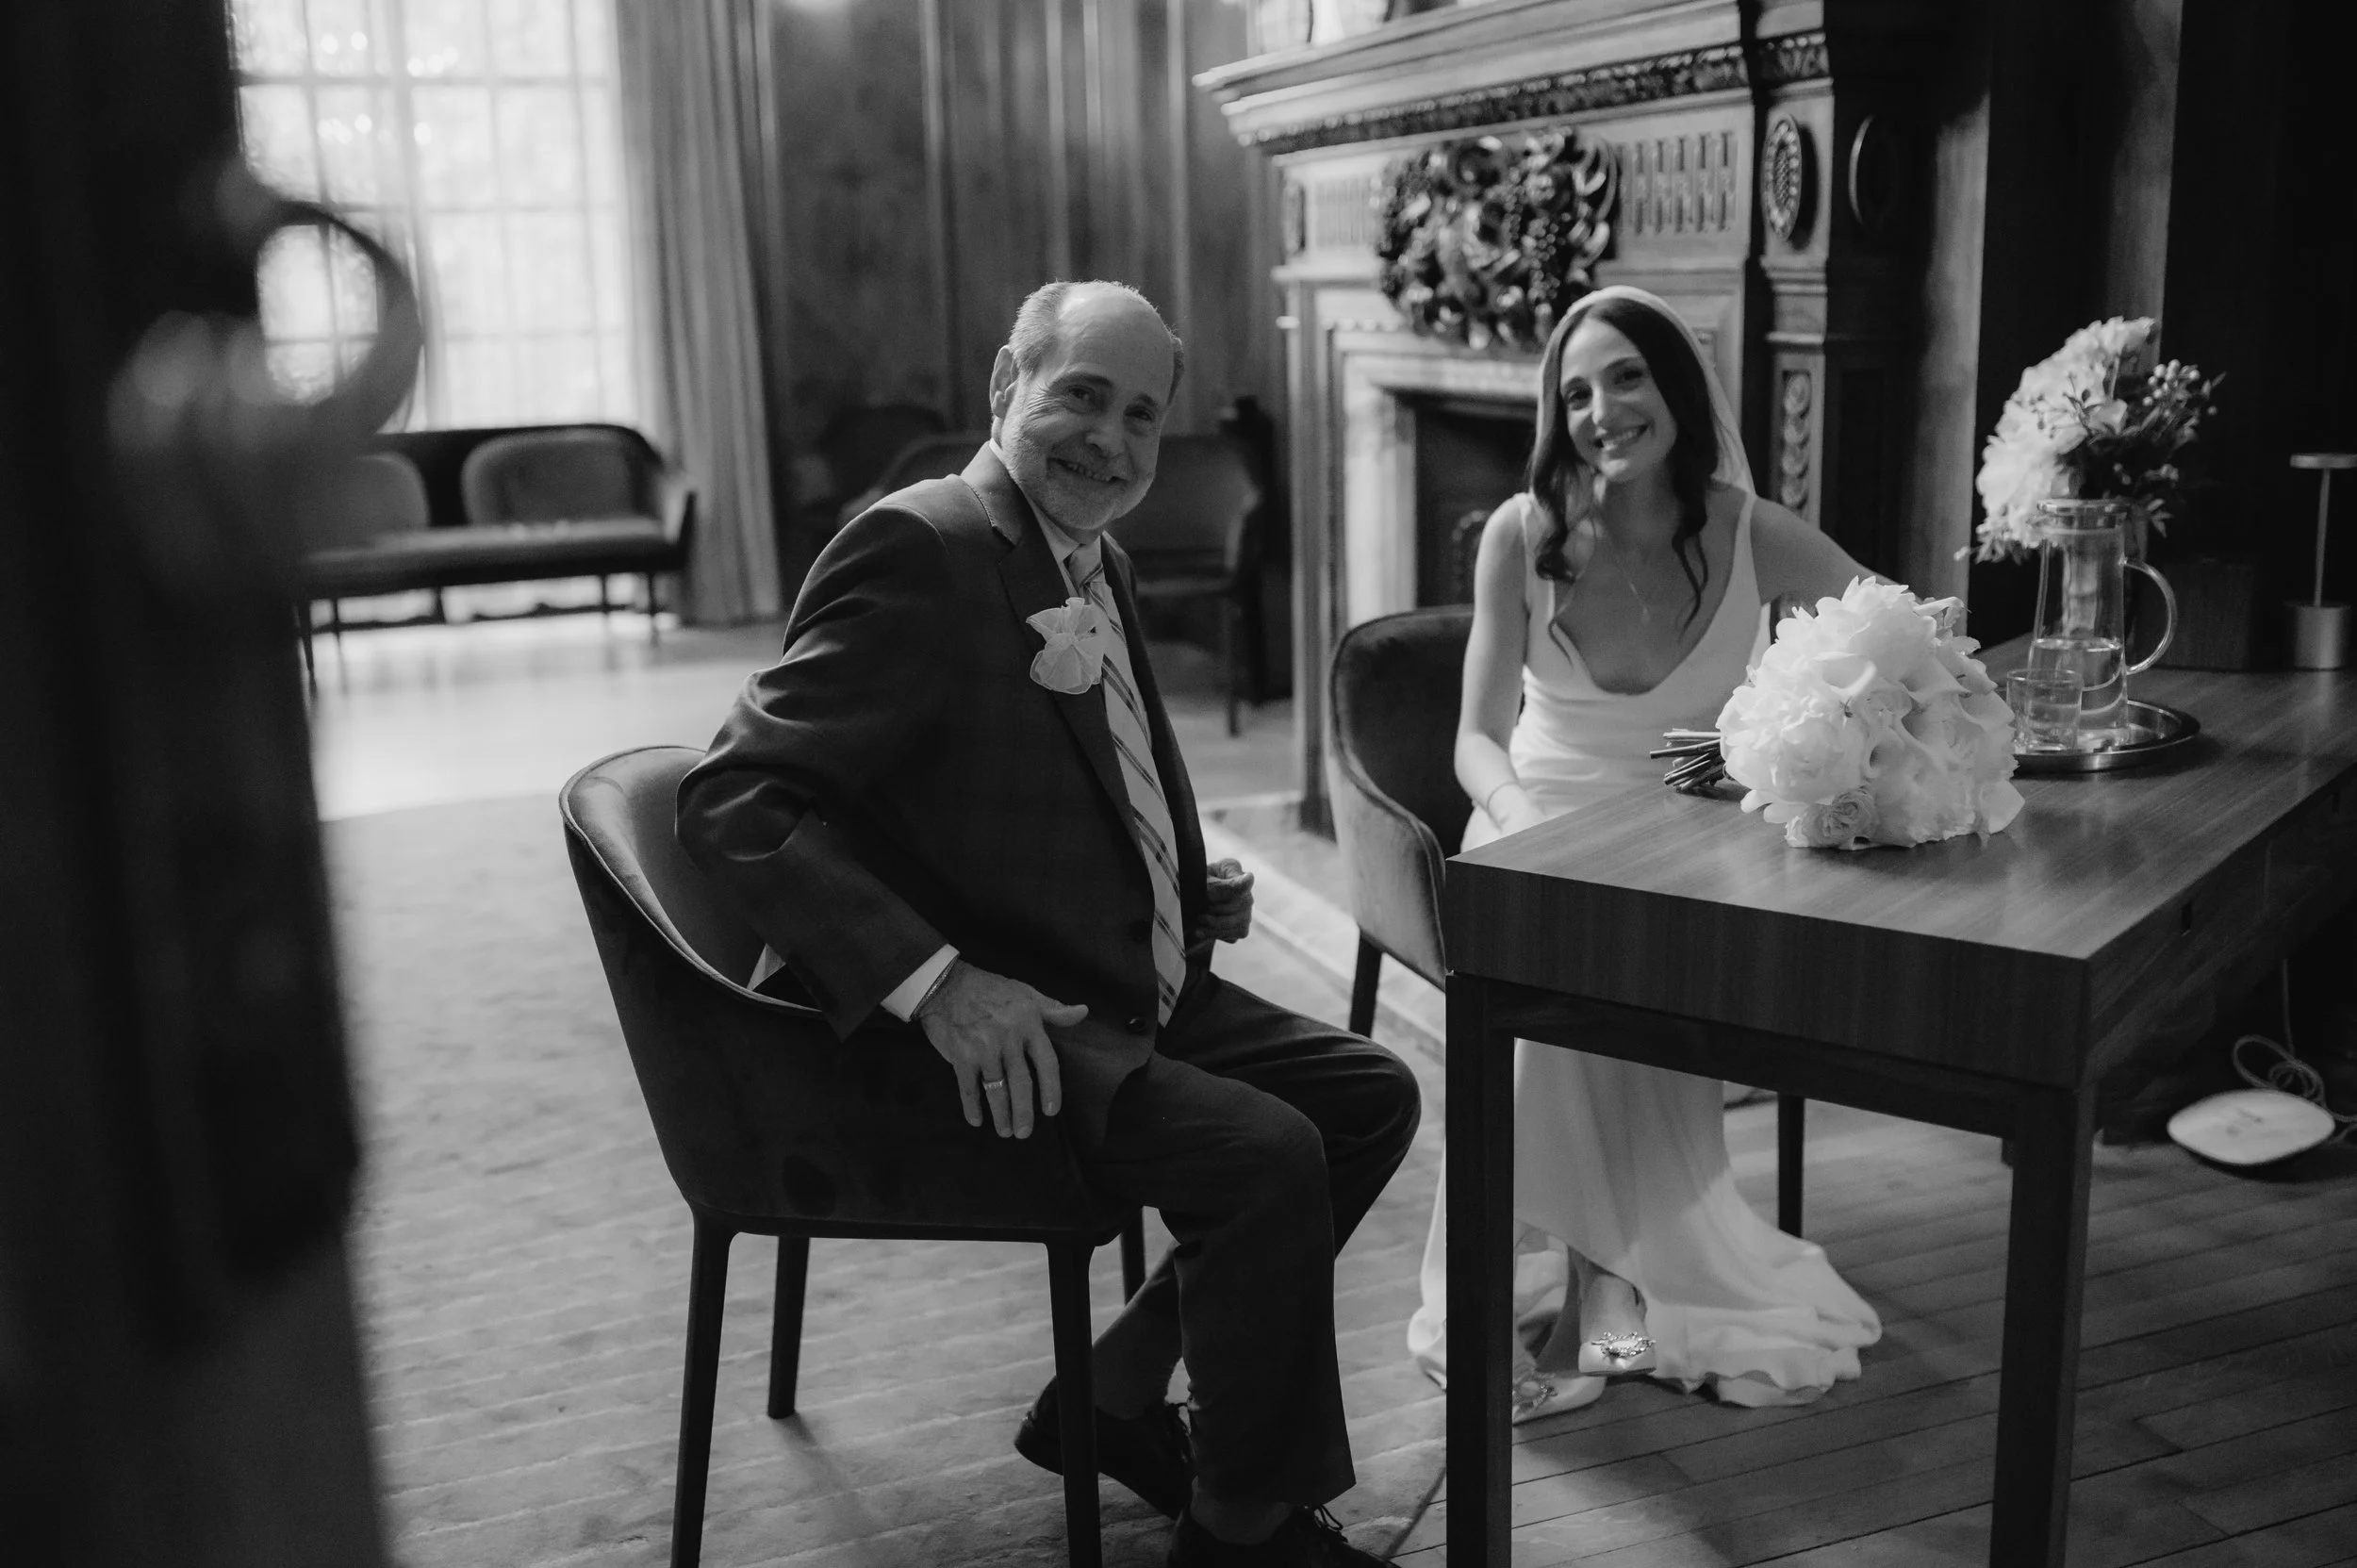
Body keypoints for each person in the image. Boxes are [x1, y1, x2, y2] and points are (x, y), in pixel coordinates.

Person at [678, 279, 1421, 1568]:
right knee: (1264, 1154)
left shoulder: (1087, 553)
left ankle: (1109, 1394)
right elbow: (736, 796)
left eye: (1143, 414)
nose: (1112, 441)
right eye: (1081, 393)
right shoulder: (923, 545)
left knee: (1369, 1094)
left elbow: (1046, 775)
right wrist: (939, 981)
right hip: (995, 1026)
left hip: (1114, 971)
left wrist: (1176, 887)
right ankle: (1242, 1526)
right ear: (1005, 384)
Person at [1405, 285, 1884, 1419]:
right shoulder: (1521, 535)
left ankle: (1601, 1276)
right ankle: (1589, 1279)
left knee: (1598, 956)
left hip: (1682, 834)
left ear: (1675, 386)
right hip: (1530, 817)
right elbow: (1474, 737)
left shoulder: (1749, 529)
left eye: (1625, 377)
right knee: (1549, 947)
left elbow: (1894, 635)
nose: (1600, 409)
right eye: (1573, 392)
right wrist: (1521, 824)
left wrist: (1787, 752)